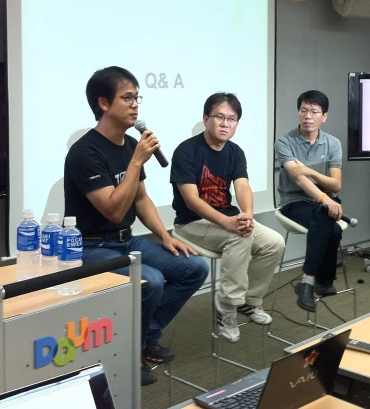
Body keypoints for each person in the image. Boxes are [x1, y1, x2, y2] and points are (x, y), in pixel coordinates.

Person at [64, 66, 208, 386]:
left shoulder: (130, 145)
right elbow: (114, 210)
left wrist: (165, 236)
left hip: (127, 241)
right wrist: (136, 161)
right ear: (103, 103)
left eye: (136, 97)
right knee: (152, 281)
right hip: (90, 247)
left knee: (195, 266)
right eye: (127, 97)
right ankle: (129, 353)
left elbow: (141, 200)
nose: (135, 105)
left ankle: (146, 338)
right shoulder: (84, 152)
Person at [170, 93, 285, 342]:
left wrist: (248, 217)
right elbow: (191, 200)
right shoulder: (186, 151)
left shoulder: (235, 151)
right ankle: (227, 307)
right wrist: (229, 223)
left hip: (227, 219)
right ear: (205, 119)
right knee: (239, 237)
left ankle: (249, 301)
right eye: (219, 117)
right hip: (191, 223)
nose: (225, 123)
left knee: (274, 242)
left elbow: (242, 186)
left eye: (232, 119)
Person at [275, 90, 345, 312]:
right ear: (298, 113)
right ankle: (313, 281)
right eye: (303, 110)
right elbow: (298, 178)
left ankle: (316, 282)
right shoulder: (285, 142)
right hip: (293, 202)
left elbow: (336, 184)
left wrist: (310, 171)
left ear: (324, 116)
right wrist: (324, 198)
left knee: (329, 224)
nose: (308, 116)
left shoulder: (332, 143)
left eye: (314, 112)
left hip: (323, 201)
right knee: (329, 224)